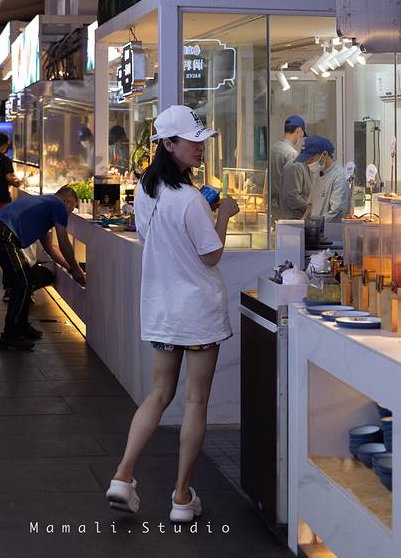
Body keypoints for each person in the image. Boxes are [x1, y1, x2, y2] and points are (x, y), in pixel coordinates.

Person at [105, 105, 239, 523]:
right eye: (191, 141)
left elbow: (150, 239)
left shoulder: (146, 191)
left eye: (201, 140)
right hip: (198, 312)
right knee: (195, 400)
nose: (200, 148)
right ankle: (182, 497)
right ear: (167, 143)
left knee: (159, 393)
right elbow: (211, 255)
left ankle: (123, 475)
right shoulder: (191, 199)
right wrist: (224, 216)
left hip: (163, 309)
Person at [0, 187, 86, 351]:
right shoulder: (58, 204)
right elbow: (64, 242)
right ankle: (10, 336)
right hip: (2, 236)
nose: (68, 214)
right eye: (71, 209)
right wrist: (76, 268)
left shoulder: (44, 205)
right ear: (67, 202)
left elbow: (49, 248)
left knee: (25, 281)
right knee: (22, 282)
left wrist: (71, 268)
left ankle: (21, 326)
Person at [295, 135, 350, 223]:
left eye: (311, 159)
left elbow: (335, 212)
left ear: (324, 154)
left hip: (329, 229)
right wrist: (303, 220)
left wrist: (313, 224)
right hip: (315, 228)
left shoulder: (339, 176)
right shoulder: (319, 173)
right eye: (307, 161)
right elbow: (311, 205)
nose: (309, 163)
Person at [270, 115, 307, 214]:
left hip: (272, 207)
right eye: (302, 134)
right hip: (286, 209)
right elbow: (292, 192)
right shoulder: (292, 154)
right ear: (299, 130)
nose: (301, 137)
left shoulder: (273, 148)